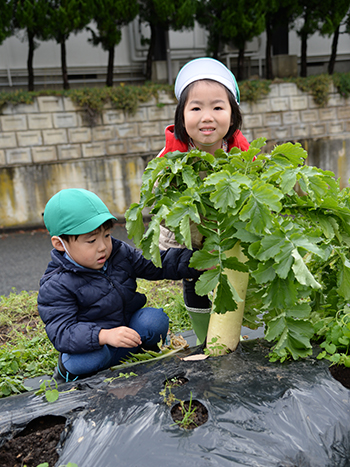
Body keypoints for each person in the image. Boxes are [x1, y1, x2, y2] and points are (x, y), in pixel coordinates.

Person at [37, 188, 202, 383]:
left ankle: (133, 356)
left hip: (124, 333)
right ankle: (71, 373)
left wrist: (198, 261)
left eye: (106, 236)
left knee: (155, 320)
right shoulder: (56, 284)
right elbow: (62, 332)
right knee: (85, 360)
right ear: (59, 244)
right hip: (96, 345)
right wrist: (103, 335)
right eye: (91, 240)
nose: (103, 247)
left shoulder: (118, 253)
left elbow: (156, 264)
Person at [158, 57, 250, 345]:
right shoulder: (174, 154)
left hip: (225, 228)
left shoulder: (240, 150)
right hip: (187, 230)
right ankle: (202, 337)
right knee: (194, 278)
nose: (207, 117)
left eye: (217, 107)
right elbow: (160, 190)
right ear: (181, 116)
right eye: (196, 108)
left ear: (232, 116)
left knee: (234, 277)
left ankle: (226, 335)